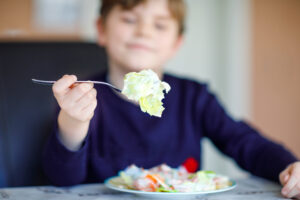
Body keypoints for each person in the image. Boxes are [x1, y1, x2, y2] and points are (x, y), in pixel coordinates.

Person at [42, 0, 300, 198]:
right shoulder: (81, 97)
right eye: (130, 19)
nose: (144, 31)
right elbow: (62, 179)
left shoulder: (194, 97)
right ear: (102, 30)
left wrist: (288, 166)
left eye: (160, 24)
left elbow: (246, 144)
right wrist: (73, 122)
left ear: (176, 43)